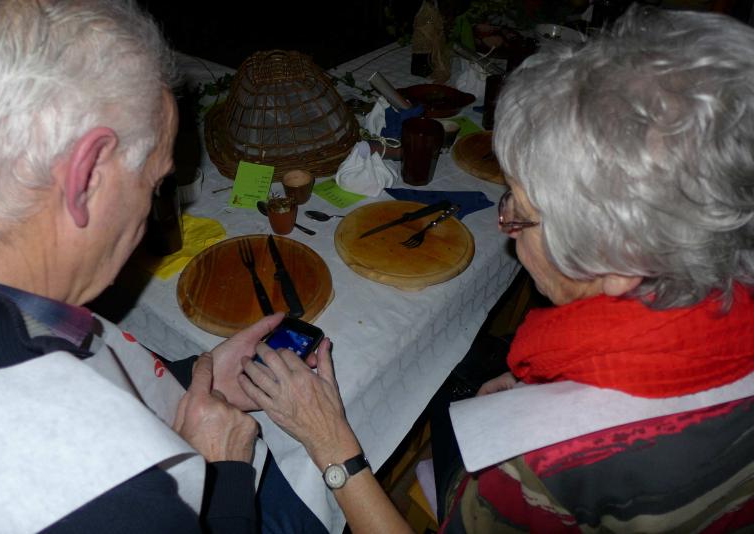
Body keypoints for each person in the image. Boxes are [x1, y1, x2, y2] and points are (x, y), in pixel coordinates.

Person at [238, 5, 754, 533]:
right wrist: (537, 379)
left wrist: (331, 445)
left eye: (520, 214)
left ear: (619, 259)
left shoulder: (547, 459)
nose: (505, 226)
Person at [0, 1, 292, 532]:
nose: (149, 217)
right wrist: (222, 472)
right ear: (88, 177)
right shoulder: (102, 493)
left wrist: (191, 379)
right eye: (155, 185)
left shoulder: (7, 302)